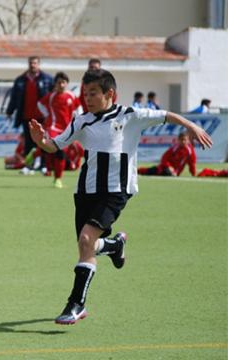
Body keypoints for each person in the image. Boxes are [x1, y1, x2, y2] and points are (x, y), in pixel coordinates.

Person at [29, 68, 213, 325]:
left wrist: (190, 125)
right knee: (88, 246)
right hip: (85, 192)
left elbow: (166, 115)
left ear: (110, 94)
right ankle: (115, 246)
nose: (88, 98)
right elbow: (54, 144)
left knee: (85, 240)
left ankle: (76, 305)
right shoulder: (81, 121)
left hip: (116, 191)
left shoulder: (131, 115)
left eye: (93, 93)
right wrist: (41, 140)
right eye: (85, 93)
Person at [36, 72, 80, 188]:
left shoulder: (71, 96)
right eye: (59, 82)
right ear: (55, 84)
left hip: (67, 129)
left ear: (67, 84)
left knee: (59, 151)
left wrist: (78, 119)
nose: (61, 85)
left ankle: (38, 155)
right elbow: (40, 104)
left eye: (63, 82)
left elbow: (78, 107)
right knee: (57, 150)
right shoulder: (51, 96)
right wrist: (47, 115)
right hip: (53, 127)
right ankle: (57, 179)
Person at [6, 56, 53, 157]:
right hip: (26, 117)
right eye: (31, 63)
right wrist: (9, 111)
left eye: (35, 63)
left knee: (43, 141)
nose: (33, 65)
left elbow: (53, 97)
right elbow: (14, 97)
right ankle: (28, 166)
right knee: (28, 142)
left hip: (43, 117)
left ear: (39, 64)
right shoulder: (20, 80)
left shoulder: (48, 79)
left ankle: (43, 165)